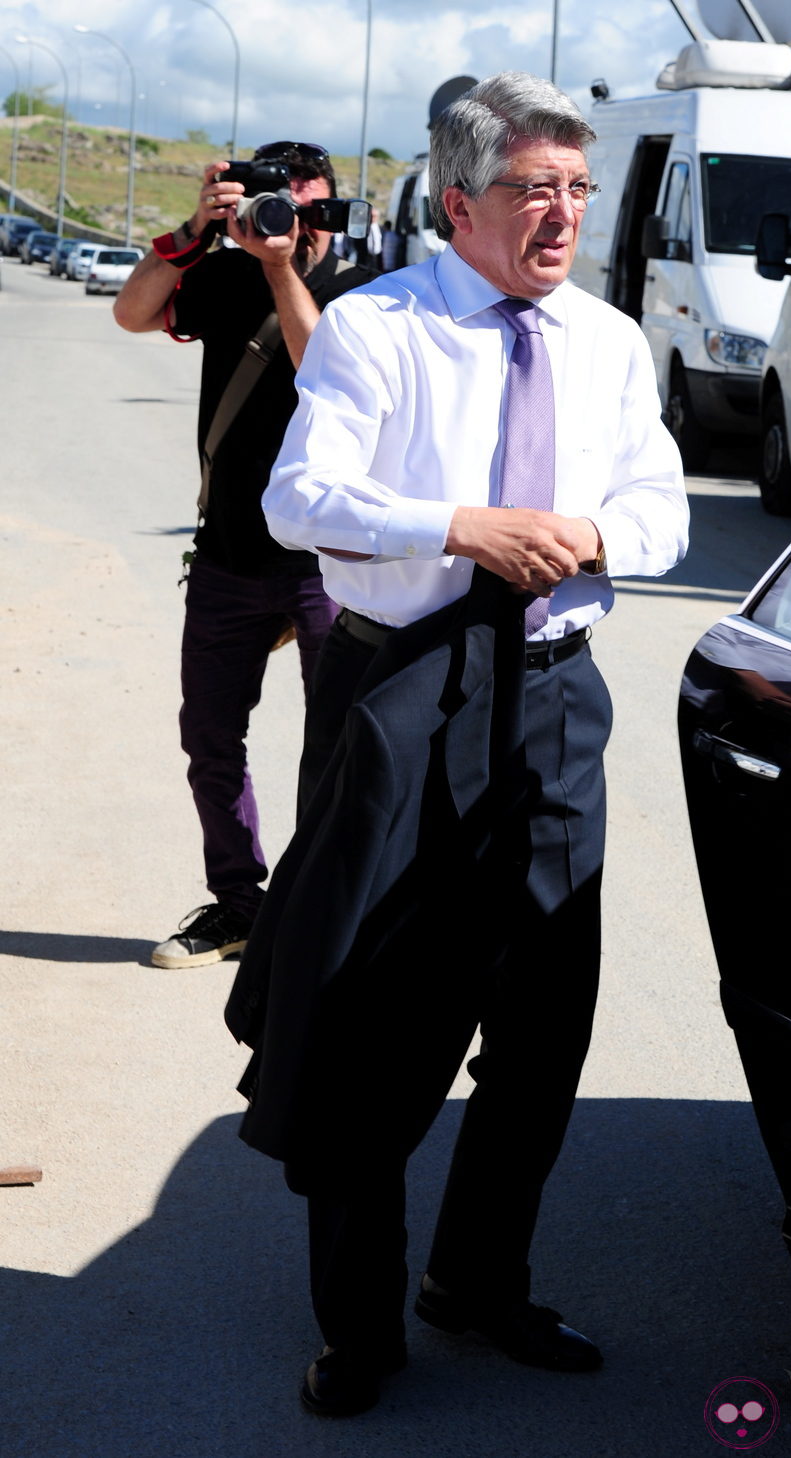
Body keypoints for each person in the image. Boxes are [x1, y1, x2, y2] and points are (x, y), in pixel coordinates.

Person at [224, 73, 689, 1418]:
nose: (561, 215)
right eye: (531, 189)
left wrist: (589, 534)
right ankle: (359, 1329)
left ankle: (477, 1279)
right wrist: (462, 525)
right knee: (375, 1023)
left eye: (576, 190)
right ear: (457, 201)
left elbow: (657, 509)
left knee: (544, 1025)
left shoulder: (607, 340)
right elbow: (300, 497)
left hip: (554, 693)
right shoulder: (380, 329)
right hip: (412, 690)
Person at [113, 142, 372, 970]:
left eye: (307, 207)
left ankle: (317, 910)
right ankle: (237, 905)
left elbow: (320, 364)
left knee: (336, 743)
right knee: (211, 739)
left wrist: (281, 266)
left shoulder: (363, 295)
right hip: (227, 556)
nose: (289, 222)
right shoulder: (223, 276)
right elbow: (131, 312)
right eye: (274, 204)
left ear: (329, 209)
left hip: (327, 565)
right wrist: (196, 230)